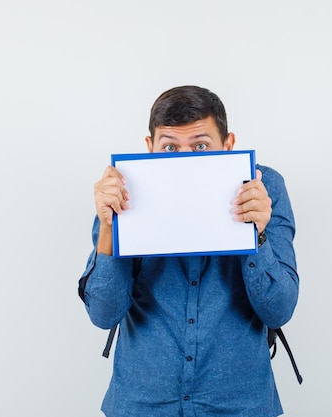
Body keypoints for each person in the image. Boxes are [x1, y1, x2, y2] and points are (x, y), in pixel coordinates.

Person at [78, 85, 299, 417]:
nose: (184, 159)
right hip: (142, 404)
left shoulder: (263, 188)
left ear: (229, 145)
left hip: (238, 406)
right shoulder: (123, 190)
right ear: (149, 148)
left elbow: (279, 310)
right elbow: (103, 314)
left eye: (200, 145)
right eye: (169, 147)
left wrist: (259, 233)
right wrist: (109, 228)